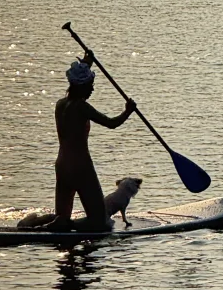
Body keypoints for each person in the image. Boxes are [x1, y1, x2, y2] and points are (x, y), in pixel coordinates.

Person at [20, 51, 137, 231]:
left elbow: (78, 80)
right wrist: (128, 111)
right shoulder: (82, 107)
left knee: (62, 216)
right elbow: (111, 124)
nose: (93, 89)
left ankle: (34, 223)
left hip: (62, 165)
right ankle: (61, 225)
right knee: (100, 222)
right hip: (81, 167)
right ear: (81, 86)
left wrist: (86, 63)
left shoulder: (61, 104)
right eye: (90, 84)